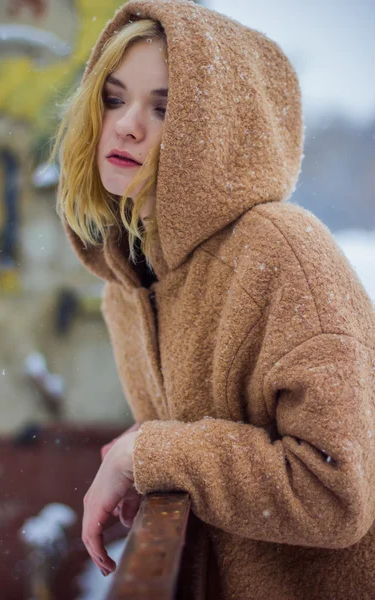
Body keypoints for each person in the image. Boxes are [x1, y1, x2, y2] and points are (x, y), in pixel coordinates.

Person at [51, 0, 375, 598]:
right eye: (115, 98)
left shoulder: (281, 253)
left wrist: (145, 455)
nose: (126, 125)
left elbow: (337, 491)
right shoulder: (128, 284)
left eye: (165, 107)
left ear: (217, 130)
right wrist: (163, 473)